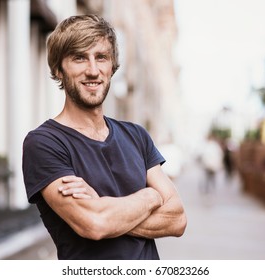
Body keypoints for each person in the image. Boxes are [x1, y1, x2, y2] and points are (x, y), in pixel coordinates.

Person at [22, 15, 186, 260]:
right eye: (79, 57)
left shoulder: (137, 136)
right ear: (58, 68)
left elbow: (178, 220)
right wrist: (151, 196)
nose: (93, 70)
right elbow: (95, 223)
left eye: (101, 57)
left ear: (112, 66)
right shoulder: (44, 143)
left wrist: (107, 211)